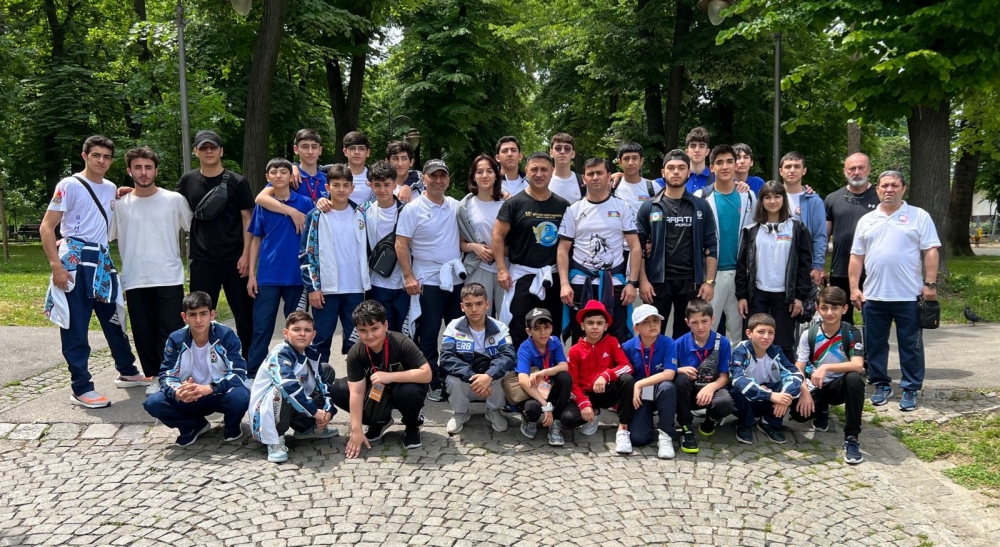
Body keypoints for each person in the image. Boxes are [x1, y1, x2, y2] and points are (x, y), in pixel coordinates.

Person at [42, 135, 147, 408]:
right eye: (96, 155)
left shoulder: (110, 187)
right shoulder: (68, 185)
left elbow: (106, 204)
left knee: (114, 318)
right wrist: (56, 266)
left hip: (101, 261)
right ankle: (81, 388)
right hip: (75, 261)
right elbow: (47, 227)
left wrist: (120, 192)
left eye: (107, 157)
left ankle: (127, 370)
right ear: (84, 156)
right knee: (76, 325)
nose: (101, 161)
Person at [850, 170, 940, 411]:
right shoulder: (866, 220)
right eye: (884, 186)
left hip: (909, 296)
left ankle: (910, 388)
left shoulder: (919, 216)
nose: (889, 189)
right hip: (874, 296)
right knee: (875, 345)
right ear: (877, 189)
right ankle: (880, 384)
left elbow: (931, 250)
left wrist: (930, 283)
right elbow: (856, 256)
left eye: (894, 185)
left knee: (911, 345)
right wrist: (854, 288)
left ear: (903, 189)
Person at [110, 146, 192, 396]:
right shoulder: (120, 205)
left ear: (156, 170)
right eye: (138, 167)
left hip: (168, 275)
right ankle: (155, 376)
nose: (143, 172)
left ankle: (171, 374)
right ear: (129, 171)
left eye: (148, 167)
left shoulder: (174, 200)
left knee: (170, 329)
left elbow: (194, 228)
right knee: (143, 332)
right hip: (135, 277)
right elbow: (106, 234)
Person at [176, 129, 255, 359]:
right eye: (204, 148)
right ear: (196, 151)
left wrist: (246, 255)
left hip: (235, 260)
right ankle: (201, 362)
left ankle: (248, 363)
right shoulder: (187, 180)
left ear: (221, 151)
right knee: (198, 316)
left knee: (245, 317)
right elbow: (168, 204)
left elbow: (248, 219)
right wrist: (131, 191)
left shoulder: (238, 181)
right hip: (202, 260)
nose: (209, 151)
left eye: (213, 147)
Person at [396, 159, 464, 401]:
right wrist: (408, 276)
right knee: (429, 332)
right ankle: (431, 379)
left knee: (457, 332)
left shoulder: (456, 206)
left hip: (455, 279)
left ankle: (454, 377)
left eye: (442, 175)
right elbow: (401, 244)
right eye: (433, 176)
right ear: (423, 178)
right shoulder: (412, 209)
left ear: (448, 179)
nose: (438, 180)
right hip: (427, 280)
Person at [144, 291, 250, 446]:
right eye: (192, 315)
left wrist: (210, 388)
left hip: (218, 392)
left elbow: (239, 373)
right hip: (189, 395)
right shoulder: (176, 339)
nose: (198, 320)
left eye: (203, 314)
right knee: (153, 403)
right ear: (184, 317)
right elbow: (166, 374)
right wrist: (178, 392)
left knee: (241, 395)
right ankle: (193, 425)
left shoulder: (226, 335)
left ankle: (232, 425)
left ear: (212, 314)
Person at [557, 157, 641, 344]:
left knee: (616, 339)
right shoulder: (574, 209)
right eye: (590, 174)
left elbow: (635, 247)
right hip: (581, 283)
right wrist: (564, 284)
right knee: (582, 339)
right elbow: (563, 249)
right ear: (584, 179)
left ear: (609, 176)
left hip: (614, 283)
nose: (595, 177)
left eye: (600, 173)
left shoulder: (622, 207)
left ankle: (615, 365)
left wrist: (632, 283)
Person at [332, 300, 431, 457]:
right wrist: (356, 430)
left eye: (375, 328)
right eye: (363, 330)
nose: (370, 336)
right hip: (376, 393)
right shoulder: (356, 353)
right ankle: (378, 422)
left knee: (410, 392)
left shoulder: (401, 342)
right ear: (356, 330)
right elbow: (357, 392)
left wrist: (390, 376)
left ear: (385, 325)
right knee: (338, 390)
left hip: (402, 390)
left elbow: (426, 374)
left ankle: (412, 425)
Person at [636, 149, 718, 338]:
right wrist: (643, 281)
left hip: (691, 282)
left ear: (688, 172)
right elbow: (638, 248)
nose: (675, 172)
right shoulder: (649, 206)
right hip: (657, 283)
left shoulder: (701, 206)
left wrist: (709, 282)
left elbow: (711, 246)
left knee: (687, 337)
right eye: (671, 168)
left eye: (681, 168)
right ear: (663, 172)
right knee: (653, 336)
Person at [246, 158, 315, 377]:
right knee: (261, 327)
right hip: (268, 276)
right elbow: (256, 239)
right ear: (267, 177)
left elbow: (314, 240)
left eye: (283, 171)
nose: (278, 175)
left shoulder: (305, 202)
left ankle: (294, 370)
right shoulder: (263, 205)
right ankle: (254, 373)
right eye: (274, 172)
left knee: (297, 328)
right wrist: (251, 275)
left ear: (290, 176)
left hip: (297, 276)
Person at [494, 153, 571, 348]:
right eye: (534, 169)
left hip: (552, 278)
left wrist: (565, 281)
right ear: (526, 172)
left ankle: (550, 365)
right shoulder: (513, 204)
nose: (539, 174)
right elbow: (498, 236)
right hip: (522, 276)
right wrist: (502, 269)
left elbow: (568, 243)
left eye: (544, 169)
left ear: (552, 172)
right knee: (519, 329)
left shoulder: (563, 206)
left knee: (551, 329)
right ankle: (519, 366)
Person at [300, 164, 369, 364]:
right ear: (327, 187)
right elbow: (306, 254)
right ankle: (319, 379)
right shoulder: (316, 216)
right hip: (326, 289)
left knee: (357, 339)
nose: (341, 190)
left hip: (355, 287)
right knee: (321, 338)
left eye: (346, 185)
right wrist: (313, 288)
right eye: (336, 185)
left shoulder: (362, 214)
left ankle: (357, 379)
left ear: (352, 188)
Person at [735, 181, 813, 358]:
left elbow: (804, 266)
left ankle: (785, 374)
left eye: (777, 196)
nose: (772, 201)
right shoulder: (751, 231)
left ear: (783, 199)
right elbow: (742, 266)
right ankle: (751, 372)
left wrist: (799, 296)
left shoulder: (798, 229)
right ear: (761, 201)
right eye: (767, 197)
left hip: (786, 296)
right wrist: (742, 296)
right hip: (757, 294)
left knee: (783, 342)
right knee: (754, 340)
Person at [790, 286, 866, 464]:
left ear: (844, 309)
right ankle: (822, 409)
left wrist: (826, 367)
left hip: (840, 385)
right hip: (816, 385)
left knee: (855, 379)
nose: (829, 312)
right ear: (817, 308)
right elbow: (799, 367)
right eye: (824, 308)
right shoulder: (809, 334)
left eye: (835, 308)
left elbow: (857, 365)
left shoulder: (851, 333)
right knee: (798, 415)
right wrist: (804, 392)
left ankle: (852, 437)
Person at [249, 311, 338, 463]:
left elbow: (324, 386)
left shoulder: (312, 355)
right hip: (265, 411)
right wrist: (314, 411)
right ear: (286, 333)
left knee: (327, 370)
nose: (302, 334)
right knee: (282, 389)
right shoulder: (280, 354)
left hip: (296, 407)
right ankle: (274, 440)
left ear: (313, 335)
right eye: (296, 329)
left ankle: (306, 429)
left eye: (307, 330)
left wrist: (328, 412)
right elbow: (288, 386)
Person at [695, 144, 757, 339]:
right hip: (712, 276)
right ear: (711, 168)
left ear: (736, 165)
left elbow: (754, 234)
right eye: (719, 162)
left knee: (740, 332)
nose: (725, 166)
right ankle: (709, 360)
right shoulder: (701, 197)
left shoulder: (748, 196)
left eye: (730, 161)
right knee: (707, 330)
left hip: (740, 275)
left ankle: (736, 361)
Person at [440, 283, 517, 434]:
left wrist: (489, 376)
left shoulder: (500, 327)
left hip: (491, 382)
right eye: (468, 305)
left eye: (479, 304)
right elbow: (446, 358)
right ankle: (461, 412)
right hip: (468, 381)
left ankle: (493, 410)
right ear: (462, 307)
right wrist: (473, 378)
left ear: (487, 304)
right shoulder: (453, 326)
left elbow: (509, 356)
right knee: (452, 379)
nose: (474, 309)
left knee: (506, 374)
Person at [560, 301, 636, 454]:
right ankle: (595, 412)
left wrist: (607, 375)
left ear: (606, 326)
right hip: (588, 395)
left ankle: (623, 428)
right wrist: (583, 403)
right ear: (582, 326)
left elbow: (627, 367)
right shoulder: (574, 350)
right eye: (590, 323)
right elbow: (573, 382)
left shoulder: (612, 342)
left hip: (609, 391)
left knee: (627, 380)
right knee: (567, 419)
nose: (595, 327)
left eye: (599, 323)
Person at [672, 298, 735, 454]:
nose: (700, 327)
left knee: (726, 402)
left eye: (704, 321)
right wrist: (679, 369)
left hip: (711, 391)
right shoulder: (678, 343)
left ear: (713, 319)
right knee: (680, 379)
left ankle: (711, 420)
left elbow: (725, 376)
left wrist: (711, 387)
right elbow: (668, 369)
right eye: (695, 322)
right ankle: (686, 427)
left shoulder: (723, 343)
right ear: (687, 322)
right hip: (688, 394)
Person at [730, 313, 804, 444]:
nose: (766, 337)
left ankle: (769, 423)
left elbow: (795, 374)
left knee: (788, 386)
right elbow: (738, 378)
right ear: (749, 333)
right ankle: (745, 423)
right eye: (761, 332)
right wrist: (770, 395)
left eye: (771, 332)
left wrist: (784, 396)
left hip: (768, 400)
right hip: (747, 401)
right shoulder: (740, 351)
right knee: (735, 388)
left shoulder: (776, 351)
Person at [825, 153, 879, 324]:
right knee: (841, 321)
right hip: (840, 270)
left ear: (869, 169)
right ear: (845, 171)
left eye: (861, 168)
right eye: (852, 168)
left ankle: (870, 344)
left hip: (873, 271)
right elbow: (824, 237)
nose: (856, 172)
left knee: (873, 320)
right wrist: (820, 267)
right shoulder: (832, 199)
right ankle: (845, 342)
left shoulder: (880, 198)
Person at [621, 304, 678, 459]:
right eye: (646, 322)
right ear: (636, 328)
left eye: (656, 320)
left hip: (659, 391)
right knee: (638, 439)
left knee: (667, 387)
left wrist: (640, 383)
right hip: (640, 396)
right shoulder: (627, 347)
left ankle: (665, 434)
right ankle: (646, 421)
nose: (653, 324)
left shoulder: (668, 343)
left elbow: (669, 373)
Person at [360, 160, 409, 332]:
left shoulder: (408, 211)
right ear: (370, 185)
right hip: (377, 283)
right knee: (381, 331)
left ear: (395, 185)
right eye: (377, 185)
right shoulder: (363, 212)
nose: (382, 190)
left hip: (403, 283)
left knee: (405, 333)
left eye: (387, 185)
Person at [457, 154, 507, 315]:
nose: (485, 175)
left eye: (489, 171)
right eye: (479, 172)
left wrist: (497, 252)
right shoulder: (464, 207)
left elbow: (516, 242)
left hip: (505, 266)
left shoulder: (507, 205)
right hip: (477, 266)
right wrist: (474, 247)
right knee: (477, 316)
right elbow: (460, 243)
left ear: (496, 175)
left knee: (506, 316)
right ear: (473, 176)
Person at [253, 129, 329, 235]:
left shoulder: (328, 179)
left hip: (322, 236)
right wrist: (293, 212)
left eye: (314, 147)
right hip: (293, 237)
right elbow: (261, 198)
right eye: (305, 147)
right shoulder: (288, 176)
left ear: (320, 150)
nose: (310, 152)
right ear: (296, 149)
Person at [515, 308, 572, 446]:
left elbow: (564, 366)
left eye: (546, 327)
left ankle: (556, 422)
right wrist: (545, 405)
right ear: (529, 331)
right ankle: (529, 420)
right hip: (532, 391)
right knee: (532, 409)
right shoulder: (525, 348)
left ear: (551, 328)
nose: (543, 332)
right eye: (537, 328)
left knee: (565, 377)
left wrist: (542, 372)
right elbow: (523, 380)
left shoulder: (555, 341)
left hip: (548, 386)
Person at [779, 151, 827, 287]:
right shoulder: (771, 198)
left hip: (803, 265)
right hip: (775, 263)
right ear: (780, 171)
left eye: (797, 166)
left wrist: (817, 266)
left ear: (804, 171)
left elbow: (819, 236)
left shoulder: (814, 201)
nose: (792, 170)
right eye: (788, 166)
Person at [613, 142, 663, 214]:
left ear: (641, 161)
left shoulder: (654, 187)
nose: (630, 163)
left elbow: (661, 213)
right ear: (620, 162)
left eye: (635, 158)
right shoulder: (612, 186)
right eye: (626, 159)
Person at [548, 133, 585, 203]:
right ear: (551, 153)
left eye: (567, 148)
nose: (562, 151)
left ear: (573, 154)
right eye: (558, 148)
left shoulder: (583, 182)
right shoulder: (543, 180)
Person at [343, 131, 375, 206]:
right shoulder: (334, 174)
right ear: (345, 152)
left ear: (368, 152)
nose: (357, 152)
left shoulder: (375, 176)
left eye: (361, 149)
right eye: (352, 148)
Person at [684, 127, 713, 193]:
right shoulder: (679, 178)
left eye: (701, 146)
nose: (697, 150)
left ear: (707, 152)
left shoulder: (717, 180)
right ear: (687, 152)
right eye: (693, 146)